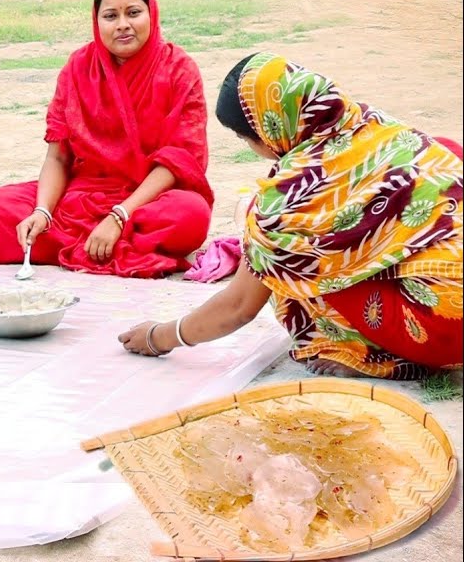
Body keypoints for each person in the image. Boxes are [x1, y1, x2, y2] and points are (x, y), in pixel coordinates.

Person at [120, 53, 463, 380]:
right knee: (443, 153)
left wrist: (160, 337)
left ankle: (371, 357)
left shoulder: (285, 206)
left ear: (268, 131)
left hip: (446, 323)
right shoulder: (367, 122)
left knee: (284, 268)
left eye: (246, 138)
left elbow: (239, 306)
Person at [0, 0, 214, 278]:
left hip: (146, 200)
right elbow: (58, 156)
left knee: (190, 215)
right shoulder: (78, 69)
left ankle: (85, 244)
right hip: (81, 197)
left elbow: (178, 161)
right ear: (96, 20)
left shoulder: (179, 69)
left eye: (133, 13)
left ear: (151, 13)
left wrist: (119, 216)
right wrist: (42, 211)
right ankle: (106, 247)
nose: (123, 25)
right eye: (110, 16)